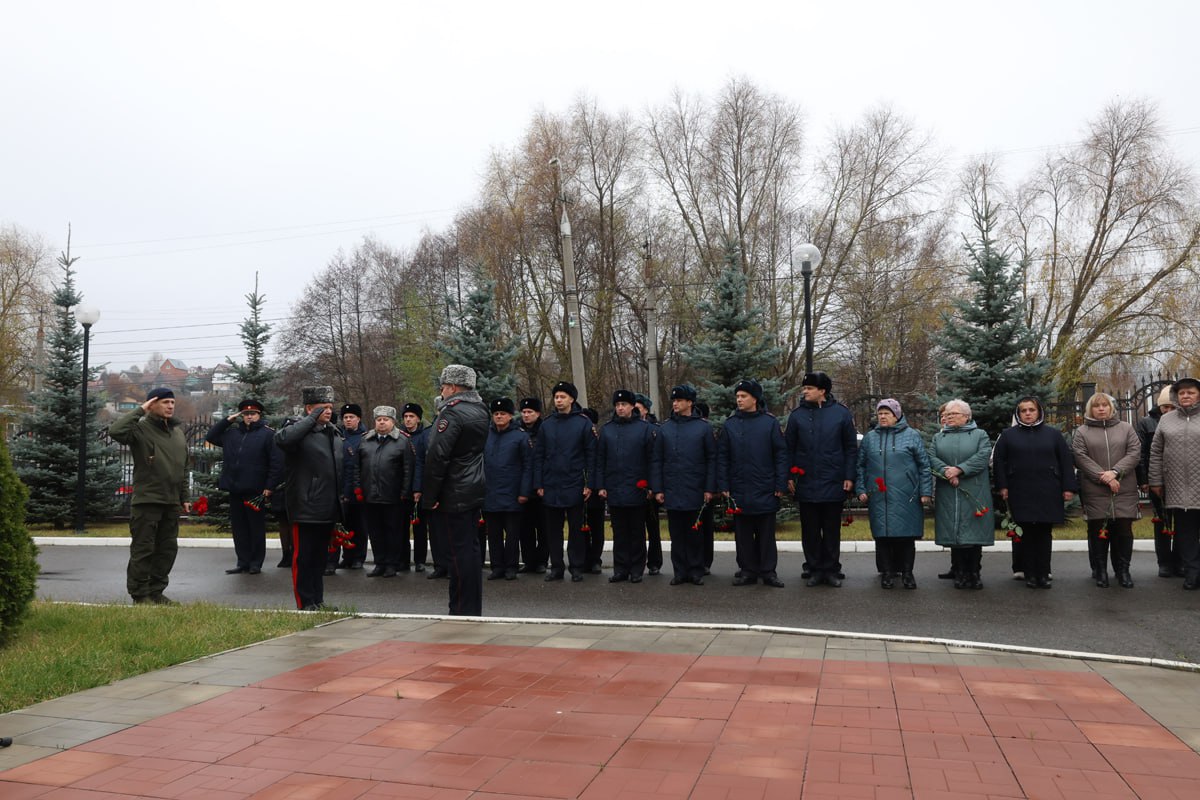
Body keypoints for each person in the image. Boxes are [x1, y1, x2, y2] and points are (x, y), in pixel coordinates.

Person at [108, 387, 191, 605]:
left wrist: (185, 497)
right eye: (165, 402)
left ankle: (156, 591)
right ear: (152, 404)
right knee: (143, 549)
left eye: (172, 402)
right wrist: (140, 410)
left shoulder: (177, 433)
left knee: (167, 550)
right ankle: (140, 594)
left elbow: (183, 468)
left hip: (171, 502)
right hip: (147, 501)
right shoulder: (140, 429)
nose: (170, 406)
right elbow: (115, 431)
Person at [420, 364, 489, 615]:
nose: (442, 391)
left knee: (458, 554)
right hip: (472, 486)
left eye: (444, 387)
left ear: (452, 387)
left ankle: (460, 609)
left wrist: (430, 497)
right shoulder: (480, 409)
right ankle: (471, 607)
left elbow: (437, 457)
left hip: (453, 490)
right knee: (470, 550)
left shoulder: (451, 413)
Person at [992, 396, 1078, 589]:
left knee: (1044, 532)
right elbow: (999, 463)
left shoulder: (1053, 435)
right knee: (1027, 533)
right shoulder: (1008, 435)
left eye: (1032, 410)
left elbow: (1065, 461)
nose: (1028, 413)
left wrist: (1068, 488)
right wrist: (1003, 486)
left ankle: (1044, 573)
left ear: (1039, 412)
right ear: (1018, 414)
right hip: (1020, 490)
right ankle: (1030, 573)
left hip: (1048, 489)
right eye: (1023, 410)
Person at [785, 371, 858, 588]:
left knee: (832, 529)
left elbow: (850, 448)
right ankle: (815, 568)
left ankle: (831, 569)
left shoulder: (841, 414)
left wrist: (849, 475)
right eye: (804, 388)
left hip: (833, 480)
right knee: (810, 530)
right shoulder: (797, 416)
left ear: (822, 391)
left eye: (809, 388)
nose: (805, 391)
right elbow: (788, 449)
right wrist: (789, 475)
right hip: (806, 481)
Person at [274, 386, 343, 610]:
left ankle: (317, 600)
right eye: (323, 407)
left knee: (319, 558)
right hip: (305, 506)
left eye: (330, 407)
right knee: (303, 558)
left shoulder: (332, 432)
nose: (328, 411)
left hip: (327, 507)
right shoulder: (297, 431)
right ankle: (305, 603)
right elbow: (282, 439)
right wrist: (311, 419)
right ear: (309, 408)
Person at [718, 379, 788, 588]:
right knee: (743, 535)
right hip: (739, 488)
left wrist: (780, 484)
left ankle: (768, 572)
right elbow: (723, 457)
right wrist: (724, 485)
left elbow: (780, 455)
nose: (739, 400)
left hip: (765, 487)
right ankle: (747, 570)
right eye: (737, 396)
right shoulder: (730, 425)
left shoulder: (769, 423)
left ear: (755, 399)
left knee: (766, 534)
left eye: (743, 396)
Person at [856, 399, 932, 590]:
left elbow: (924, 466)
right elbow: (860, 466)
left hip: (907, 495)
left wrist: (925, 491)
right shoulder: (870, 438)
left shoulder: (912, 435)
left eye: (886, 413)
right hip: (879, 495)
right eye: (880, 413)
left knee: (906, 536)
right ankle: (887, 573)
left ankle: (907, 573)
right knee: (882, 535)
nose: (882, 417)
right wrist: (861, 489)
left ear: (896, 415)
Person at [205, 398, 282, 575]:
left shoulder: (267, 434)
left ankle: (256, 563)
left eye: (253, 413)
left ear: (259, 415)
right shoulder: (232, 434)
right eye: (246, 414)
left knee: (255, 527)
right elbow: (210, 436)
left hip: (256, 489)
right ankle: (243, 561)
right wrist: (227, 420)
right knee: (239, 528)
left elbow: (276, 463)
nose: (249, 417)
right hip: (235, 487)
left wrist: (269, 486)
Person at [1072, 392, 1141, 588]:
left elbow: (1134, 452)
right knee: (1098, 530)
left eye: (1105, 405)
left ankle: (1123, 571)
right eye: (1097, 406)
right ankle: (1100, 571)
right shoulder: (1082, 432)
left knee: (1124, 530)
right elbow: (1080, 457)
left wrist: (1115, 472)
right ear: (1090, 409)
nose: (1101, 409)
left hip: (1124, 487)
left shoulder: (1126, 428)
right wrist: (1104, 477)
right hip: (1095, 488)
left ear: (1111, 408)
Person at [651, 385, 716, 586]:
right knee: (677, 534)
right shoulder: (665, 428)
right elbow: (657, 460)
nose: (675, 404)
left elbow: (711, 459)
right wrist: (658, 488)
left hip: (695, 488)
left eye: (679, 400)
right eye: (674, 400)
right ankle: (679, 571)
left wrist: (709, 488)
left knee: (695, 533)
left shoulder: (703, 428)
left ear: (690, 403)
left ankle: (696, 570)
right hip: (672, 488)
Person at [532, 381, 596, 582]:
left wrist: (589, 484)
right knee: (553, 531)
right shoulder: (547, 424)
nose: (558, 400)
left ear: (572, 399)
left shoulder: (583, 423)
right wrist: (538, 483)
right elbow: (539, 456)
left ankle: (576, 567)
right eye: (556, 397)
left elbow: (591, 456)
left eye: (562, 397)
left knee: (576, 531)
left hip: (575, 484)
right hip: (551, 484)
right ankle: (557, 567)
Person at [928, 399, 994, 590]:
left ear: (966, 416)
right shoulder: (939, 437)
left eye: (953, 414)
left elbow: (983, 456)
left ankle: (974, 572)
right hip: (949, 490)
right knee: (954, 531)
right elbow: (931, 457)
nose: (949, 417)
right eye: (947, 414)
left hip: (974, 490)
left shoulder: (980, 435)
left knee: (974, 533)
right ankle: (960, 572)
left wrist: (960, 469)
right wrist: (946, 472)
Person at [597, 389, 656, 583]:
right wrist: (601, 485)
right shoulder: (607, 429)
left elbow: (652, 460)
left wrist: (651, 486)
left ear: (632, 406)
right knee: (619, 532)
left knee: (637, 531)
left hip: (637, 488)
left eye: (624, 404)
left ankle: (637, 569)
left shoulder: (644, 429)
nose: (620, 408)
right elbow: (601, 460)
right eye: (617, 405)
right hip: (614, 488)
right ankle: (621, 569)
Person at [1149, 376, 1200, 591]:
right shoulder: (1166, 420)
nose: (1186, 396)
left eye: (1191, 392)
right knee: (1185, 534)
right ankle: (1192, 574)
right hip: (1178, 487)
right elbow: (1156, 452)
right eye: (1182, 393)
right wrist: (1155, 480)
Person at [358, 406, 415, 577]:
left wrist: (405, 492)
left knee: (393, 532)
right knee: (375, 532)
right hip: (370, 495)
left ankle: (392, 564)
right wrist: (358, 488)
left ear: (393, 422)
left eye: (386, 419)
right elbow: (356, 467)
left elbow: (408, 470)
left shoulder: (402, 441)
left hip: (393, 496)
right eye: (379, 419)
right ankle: (380, 563)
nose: (382, 422)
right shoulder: (365, 440)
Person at [483, 397, 532, 580]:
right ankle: (497, 567)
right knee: (494, 534)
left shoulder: (520, 437)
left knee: (512, 535)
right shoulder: (486, 436)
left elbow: (528, 466)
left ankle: (511, 566)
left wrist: (524, 492)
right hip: (490, 493)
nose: (499, 417)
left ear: (510, 416)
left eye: (503, 413)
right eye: (496, 414)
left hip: (513, 493)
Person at [1138, 386, 1180, 578]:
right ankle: (1164, 563)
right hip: (1156, 479)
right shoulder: (1146, 423)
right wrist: (1144, 480)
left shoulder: (1184, 420)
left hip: (1180, 480)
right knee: (1161, 521)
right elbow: (1142, 453)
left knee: (1182, 524)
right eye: (1165, 407)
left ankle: (1180, 561)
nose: (1168, 411)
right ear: (1159, 406)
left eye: (1172, 407)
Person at [330, 403, 368, 574]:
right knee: (342, 525)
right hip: (340, 488)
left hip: (357, 489)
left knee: (359, 526)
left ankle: (358, 557)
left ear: (358, 419)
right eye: (345, 417)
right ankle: (347, 557)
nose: (348, 420)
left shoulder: (365, 437)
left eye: (351, 417)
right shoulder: (338, 436)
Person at [634, 392, 664, 575]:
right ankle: (637, 561)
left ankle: (654, 562)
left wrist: (653, 486)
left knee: (652, 527)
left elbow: (657, 461)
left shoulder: (655, 430)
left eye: (638, 408)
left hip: (650, 486)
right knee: (636, 528)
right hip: (633, 486)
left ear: (645, 410)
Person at [517, 397, 548, 573]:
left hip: (542, 486)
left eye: (530, 412)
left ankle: (542, 561)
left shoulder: (545, 430)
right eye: (524, 412)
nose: (526, 415)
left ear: (538, 413)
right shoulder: (517, 431)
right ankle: (529, 561)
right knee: (525, 528)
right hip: (522, 486)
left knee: (543, 527)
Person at [399, 403, 431, 573]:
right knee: (402, 527)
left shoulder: (425, 436)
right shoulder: (399, 436)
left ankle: (420, 560)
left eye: (411, 416)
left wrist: (418, 488)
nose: (408, 420)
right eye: (405, 416)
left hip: (420, 488)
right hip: (402, 489)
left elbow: (422, 464)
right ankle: (403, 560)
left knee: (420, 527)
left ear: (418, 418)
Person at [581, 407, 607, 573]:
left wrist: (598, 486)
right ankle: (583, 559)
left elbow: (601, 464)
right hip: (580, 489)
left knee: (597, 527)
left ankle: (595, 559)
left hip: (596, 490)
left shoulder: (599, 439)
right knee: (581, 527)